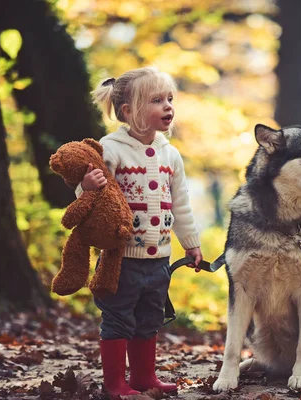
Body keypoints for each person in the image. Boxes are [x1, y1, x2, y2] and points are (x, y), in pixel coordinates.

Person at [78, 66, 203, 398]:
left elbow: (181, 205)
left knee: (150, 318)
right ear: (128, 111)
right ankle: (116, 384)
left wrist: (191, 244)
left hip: (159, 259)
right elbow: (91, 199)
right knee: (118, 318)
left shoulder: (170, 155)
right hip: (121, 260)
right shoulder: (111, 148)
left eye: (170, 99)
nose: (167, 106)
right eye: (156, 100)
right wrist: (85, 186)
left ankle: (144, 378)